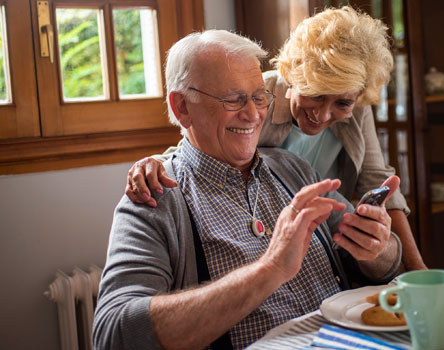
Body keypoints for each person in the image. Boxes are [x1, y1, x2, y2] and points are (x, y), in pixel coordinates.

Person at [93, 29, 402, 350]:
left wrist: (377, 246)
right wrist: (269, 269)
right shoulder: (153, 197)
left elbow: (384, 268)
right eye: (233, 99)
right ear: (182, 106)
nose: (253, 114)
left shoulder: (293, 169)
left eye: (258, 97)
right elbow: (113, 335)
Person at [124, 6, 427, 271]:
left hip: (324, 239)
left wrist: (415, 267)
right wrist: (154, 163)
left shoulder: (356, 110)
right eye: (316, 95)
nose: (323, 115)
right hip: (261, 238)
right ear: (294, 75)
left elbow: (379, 184)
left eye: (341, 103)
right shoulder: (257, 98)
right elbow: (197, 142)